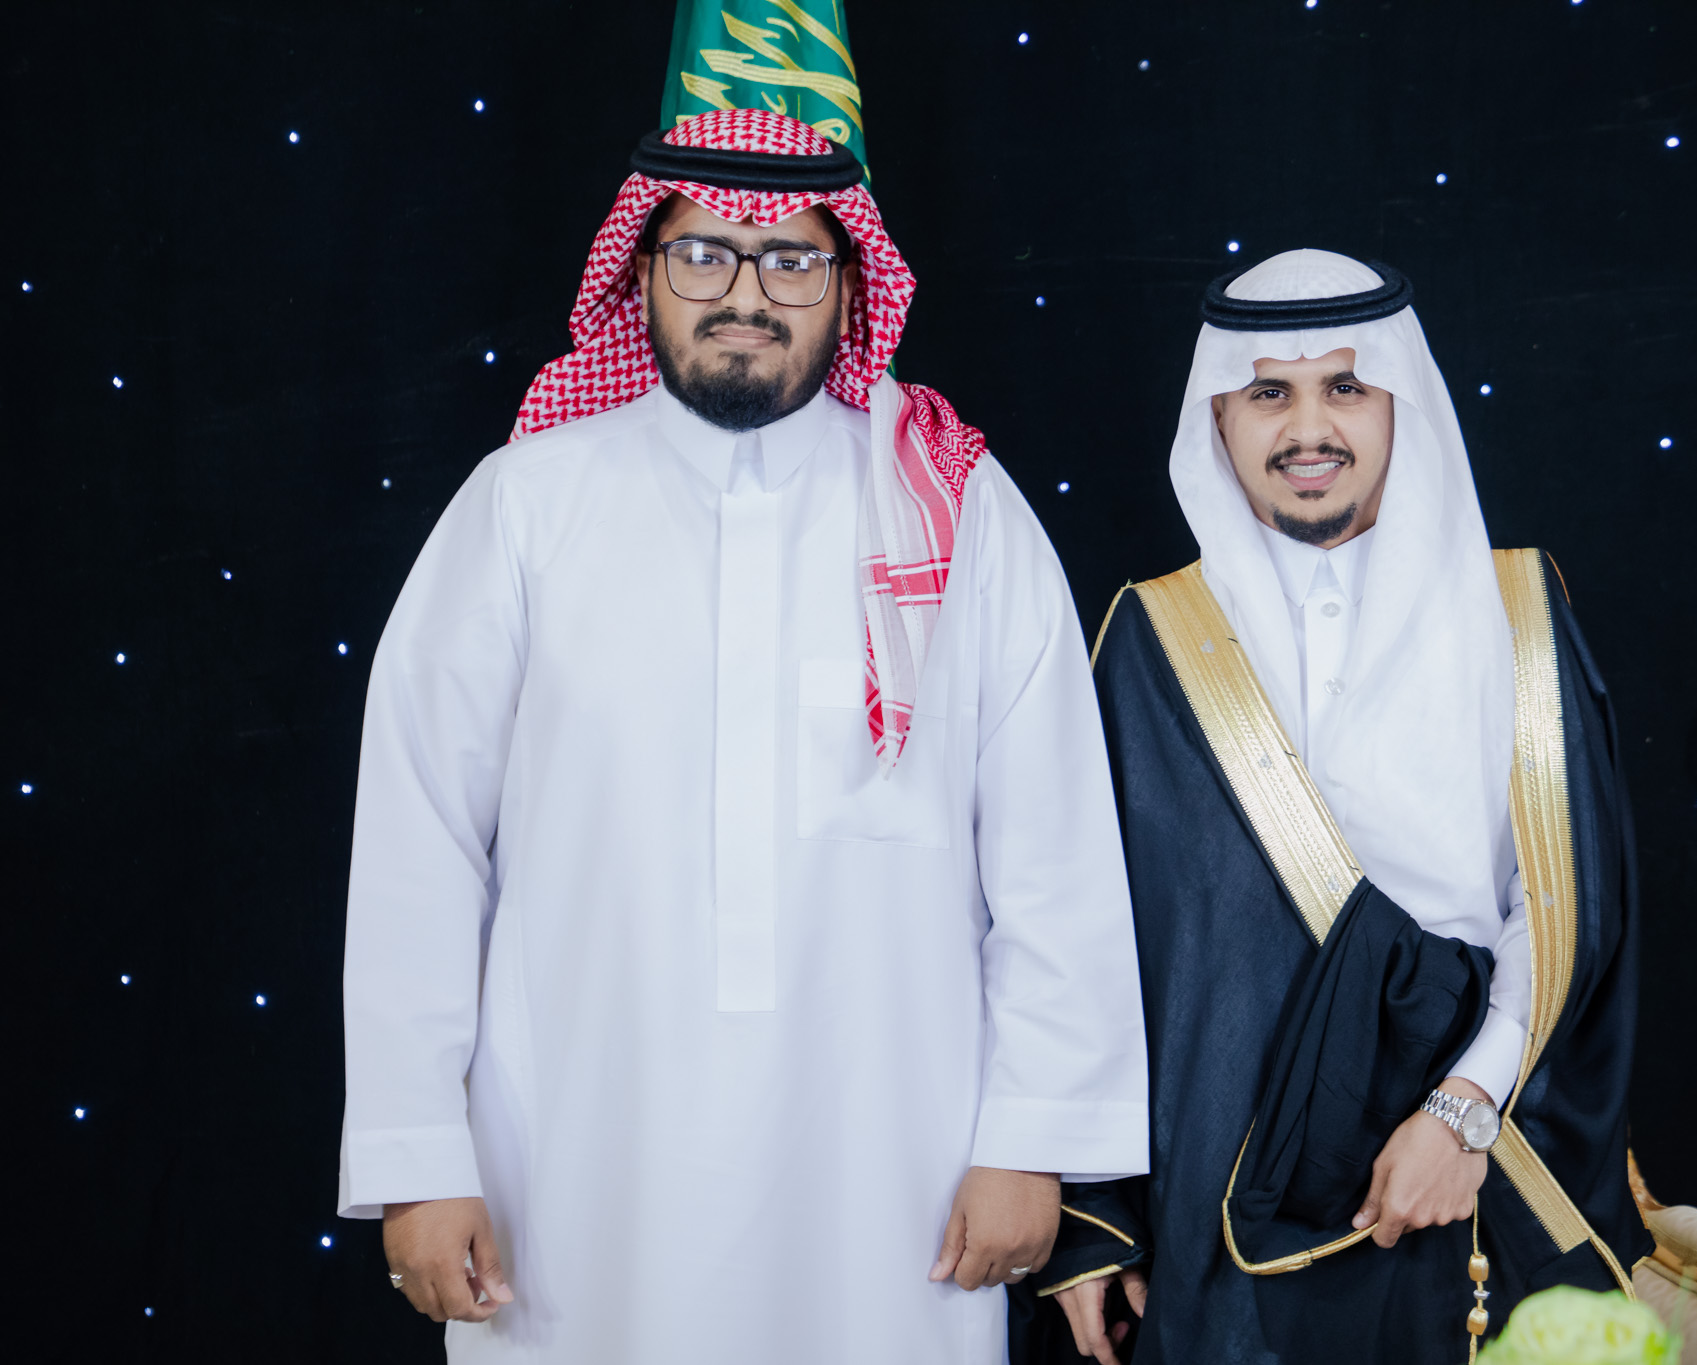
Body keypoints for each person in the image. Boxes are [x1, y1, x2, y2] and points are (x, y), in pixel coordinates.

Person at [336, 109, 1148, 1362]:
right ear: (641, 273)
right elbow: (419, 845)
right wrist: (415, 1155)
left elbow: (1053, 847)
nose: (745, 295)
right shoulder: (526, 506)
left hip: (900, 1178)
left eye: (790, 260)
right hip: (569, 1177)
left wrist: (1032, 1139)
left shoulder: (957, 507)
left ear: (849, 284)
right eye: (703, 254)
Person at [1021, 250, 1649, 1364]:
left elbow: (1567, 906)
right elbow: (1091, 938)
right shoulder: (1153, 638)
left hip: (1470, 1173)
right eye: (1268, 391)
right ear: (1217, 418)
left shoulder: (1516, 612)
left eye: (1345, 387)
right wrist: (1096, 1217)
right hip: (1220, 1189)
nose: (1307, 428)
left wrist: (1463, 1114)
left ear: (1402, 404)